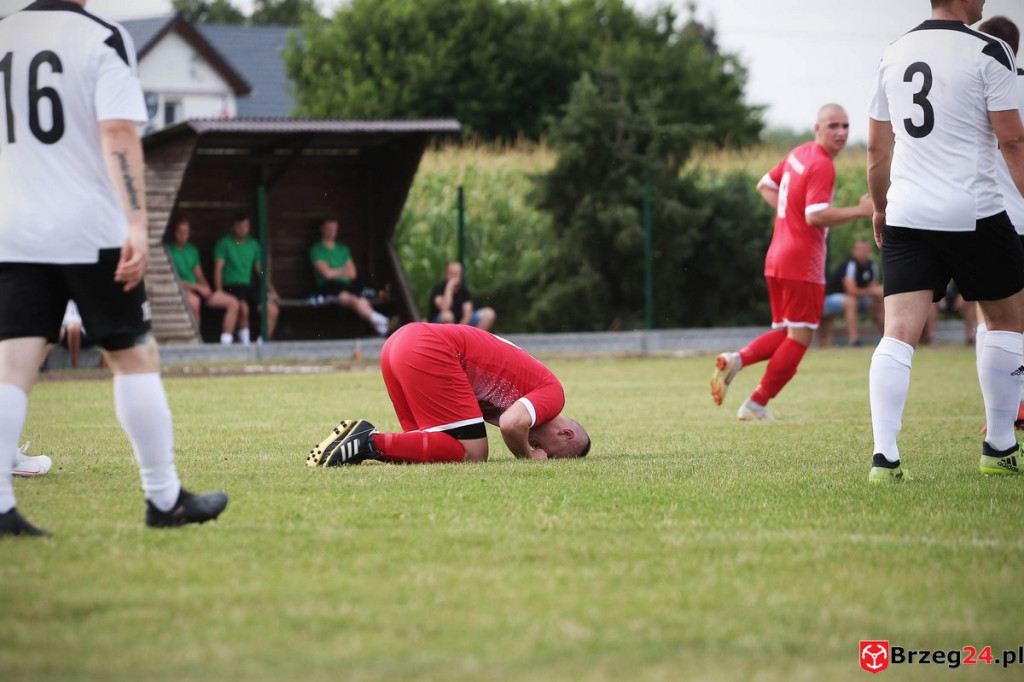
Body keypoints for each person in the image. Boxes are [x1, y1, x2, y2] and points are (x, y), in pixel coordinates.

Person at [0, 0, 228, 536]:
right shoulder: (100, 36)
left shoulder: (5, 34)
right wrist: (136, 224)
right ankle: (164, 496)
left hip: (15, 228)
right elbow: (119, 134)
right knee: (134, 357)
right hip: (89, 228)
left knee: (12, 368)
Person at [865, 0, 1024, 483]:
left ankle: (885, 457)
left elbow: (877, 148)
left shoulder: (893, 51)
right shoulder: (990, 50)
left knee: (898, 333)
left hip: (908, 214)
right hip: (974, 212)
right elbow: (1012, 142)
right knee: (1005, 321)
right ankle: (999, 446)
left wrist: (880, 207)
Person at [710, 103, 873, 421]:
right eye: (833, 126)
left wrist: (790, 220)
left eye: (845, 126)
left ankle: (737, 360)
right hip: (803, 263)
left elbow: (765, 185)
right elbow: (815, 215)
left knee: (787, 332)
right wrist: (860, 210)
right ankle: (756, 404)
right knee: (801, 338)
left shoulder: (799, 153)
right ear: (818, 128)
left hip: (777, 256)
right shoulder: (823, 164)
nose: (840, 133)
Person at [306, 322, 590, 466]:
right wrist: (528, 456)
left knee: (433, 448)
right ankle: (367, 441)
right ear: (566, 434)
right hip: (427, 348)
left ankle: (361, 445)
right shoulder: (553, 395)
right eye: (550, 454)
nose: (542, 451)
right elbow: (511, 424)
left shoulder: (528, 399)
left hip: (399, 343)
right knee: (474, 453)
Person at [976, 14, 1024, 431]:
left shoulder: (979, 84)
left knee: (990, 320)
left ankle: (1000, 417)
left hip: (991, 218)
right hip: (1012, 217)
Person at [309, 218, 389, 337]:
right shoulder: (316, 249)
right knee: (353, 300)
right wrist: (342, 270)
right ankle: (385, 323)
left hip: (346, 285)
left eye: (334, 229)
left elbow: (352, 274)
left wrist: (334, 270)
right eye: (329, 228)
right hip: (328, 287)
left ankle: (384, 330)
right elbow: (326, 275)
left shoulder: (343, 248)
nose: (332, 231)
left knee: (363, 301)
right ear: (322, 229)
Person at [167, 218, 239, 344]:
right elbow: (172, 279)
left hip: (197, 289)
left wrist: (206, 287)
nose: (183, 235)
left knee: (233, 302)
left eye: (186, 232)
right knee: (194, 302)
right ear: (174, 232)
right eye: (180, 232)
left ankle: (226, 342)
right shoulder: (168, 250)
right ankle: (195, 342)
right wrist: (196, 287)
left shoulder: (192, 250)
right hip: (181, 289)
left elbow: (199, 274)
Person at [213, 214, 279, 343]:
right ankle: (245, 344)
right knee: (243, 308)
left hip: (248, 287)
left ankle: (262, 344)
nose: (243, 229)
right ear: (233, 227)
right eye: (240, 226)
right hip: (231, 285)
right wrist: (219, 290)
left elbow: (260, 271)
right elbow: (218, 268)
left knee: (272, 310)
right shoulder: (223, 243)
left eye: (246, 226)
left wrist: (271, 290)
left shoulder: (253, 244)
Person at [820, 238, 884, 347]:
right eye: (860, 249)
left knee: (879, 302)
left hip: (856, 299)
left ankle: (887, 339)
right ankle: (854, 340)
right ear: (854, 251)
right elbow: (852, 291)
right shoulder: (850, 264)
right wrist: (873, 291)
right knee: (850, 301)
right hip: (830, 299)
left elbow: (873, 288)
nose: (864, 252)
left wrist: (879, 293)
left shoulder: (871, 265)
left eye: (866, 249)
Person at [428, 260, 496, 331]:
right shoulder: (438, 289)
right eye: (452, 273)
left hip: (461, 326)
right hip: (438, 326)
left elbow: (468, 313)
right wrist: (449, 286)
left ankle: (473, 340)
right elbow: (444, 308)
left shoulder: (464, 290)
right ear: (446, 274)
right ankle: (449, 339)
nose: (455, 276)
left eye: (457, 273)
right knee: (447, 316)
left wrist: (460, 329)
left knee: (488, 313)